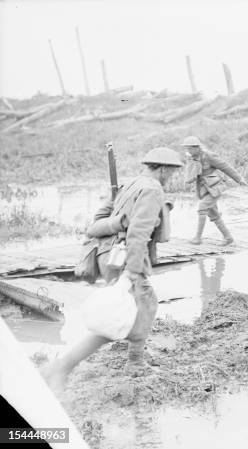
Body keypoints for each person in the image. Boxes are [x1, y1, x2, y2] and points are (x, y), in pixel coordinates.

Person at [43, 147, 184, 390]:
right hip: (124, 258)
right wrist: (133, 270)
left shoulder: (131, 184)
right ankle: (63, 367)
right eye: (171, 172)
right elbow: (139, 233)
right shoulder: (152, 189)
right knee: (122, 316)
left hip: (108, 255)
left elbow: (99, 217)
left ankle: (134, 362)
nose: (171, 176)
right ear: (162, 169)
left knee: (140, 308)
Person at [181, 135, 247, 246]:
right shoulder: (192, 159)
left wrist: (239, 179)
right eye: (187, 148)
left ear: (197, 147)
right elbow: (190, 176)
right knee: (214, 215)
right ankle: (228, 238)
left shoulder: (208, 156)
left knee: (202, 207)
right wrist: (190, 162)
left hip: (215, 188)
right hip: (203, 189)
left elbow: (225, 167)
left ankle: (197, 238)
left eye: (190, 148)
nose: (188, 151)